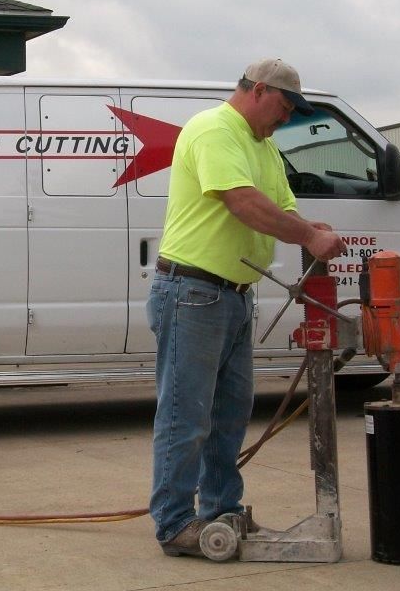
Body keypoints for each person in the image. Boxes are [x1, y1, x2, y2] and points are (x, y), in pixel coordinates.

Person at [148, 57, 347, 558]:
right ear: (258, 90)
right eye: (284, 106)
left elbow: (282, 205)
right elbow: (242, 201)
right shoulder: (214, 130)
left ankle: (221, 511)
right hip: (193, 292)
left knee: (229, 412)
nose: (286, 118)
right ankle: (175, 525)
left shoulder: (263, 146)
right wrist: (306, 237)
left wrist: (312, 229)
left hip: (232, 295)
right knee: (186, 414)